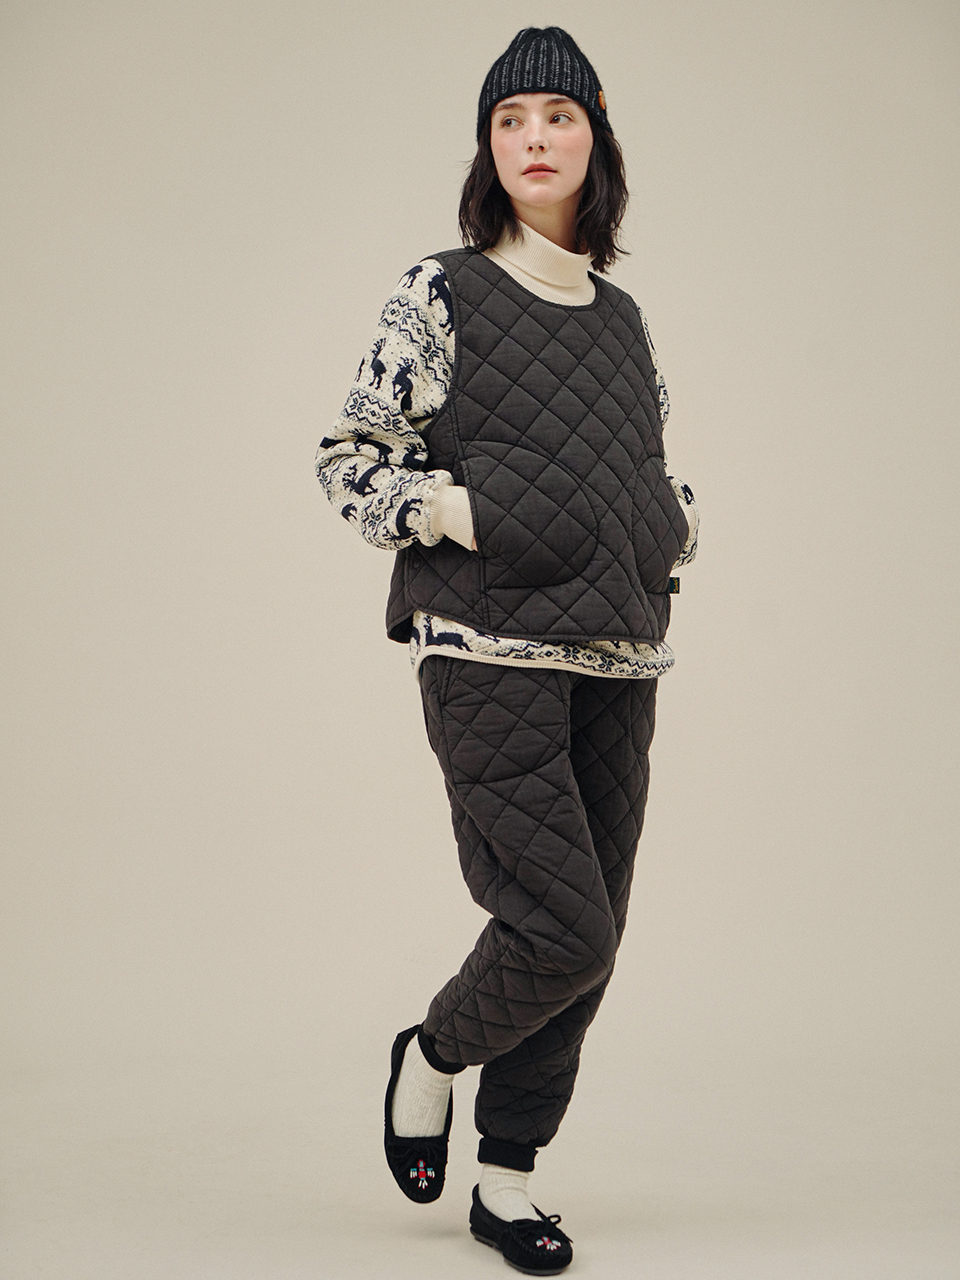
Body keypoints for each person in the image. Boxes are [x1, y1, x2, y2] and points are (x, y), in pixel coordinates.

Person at [315, 27, 698, 1275]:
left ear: (597, 138)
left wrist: (677, 525)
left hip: (619, 651)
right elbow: (349, 459)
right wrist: (462, 509)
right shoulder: (440, 292)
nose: (536, 137)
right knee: (560, 926)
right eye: (511, 119)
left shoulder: (625, 318)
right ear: (488, 148)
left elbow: (641, 466)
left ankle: (509, 1178)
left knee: (598, 937)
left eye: (559, 115)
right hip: (489, 648)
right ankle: (431, 1054)